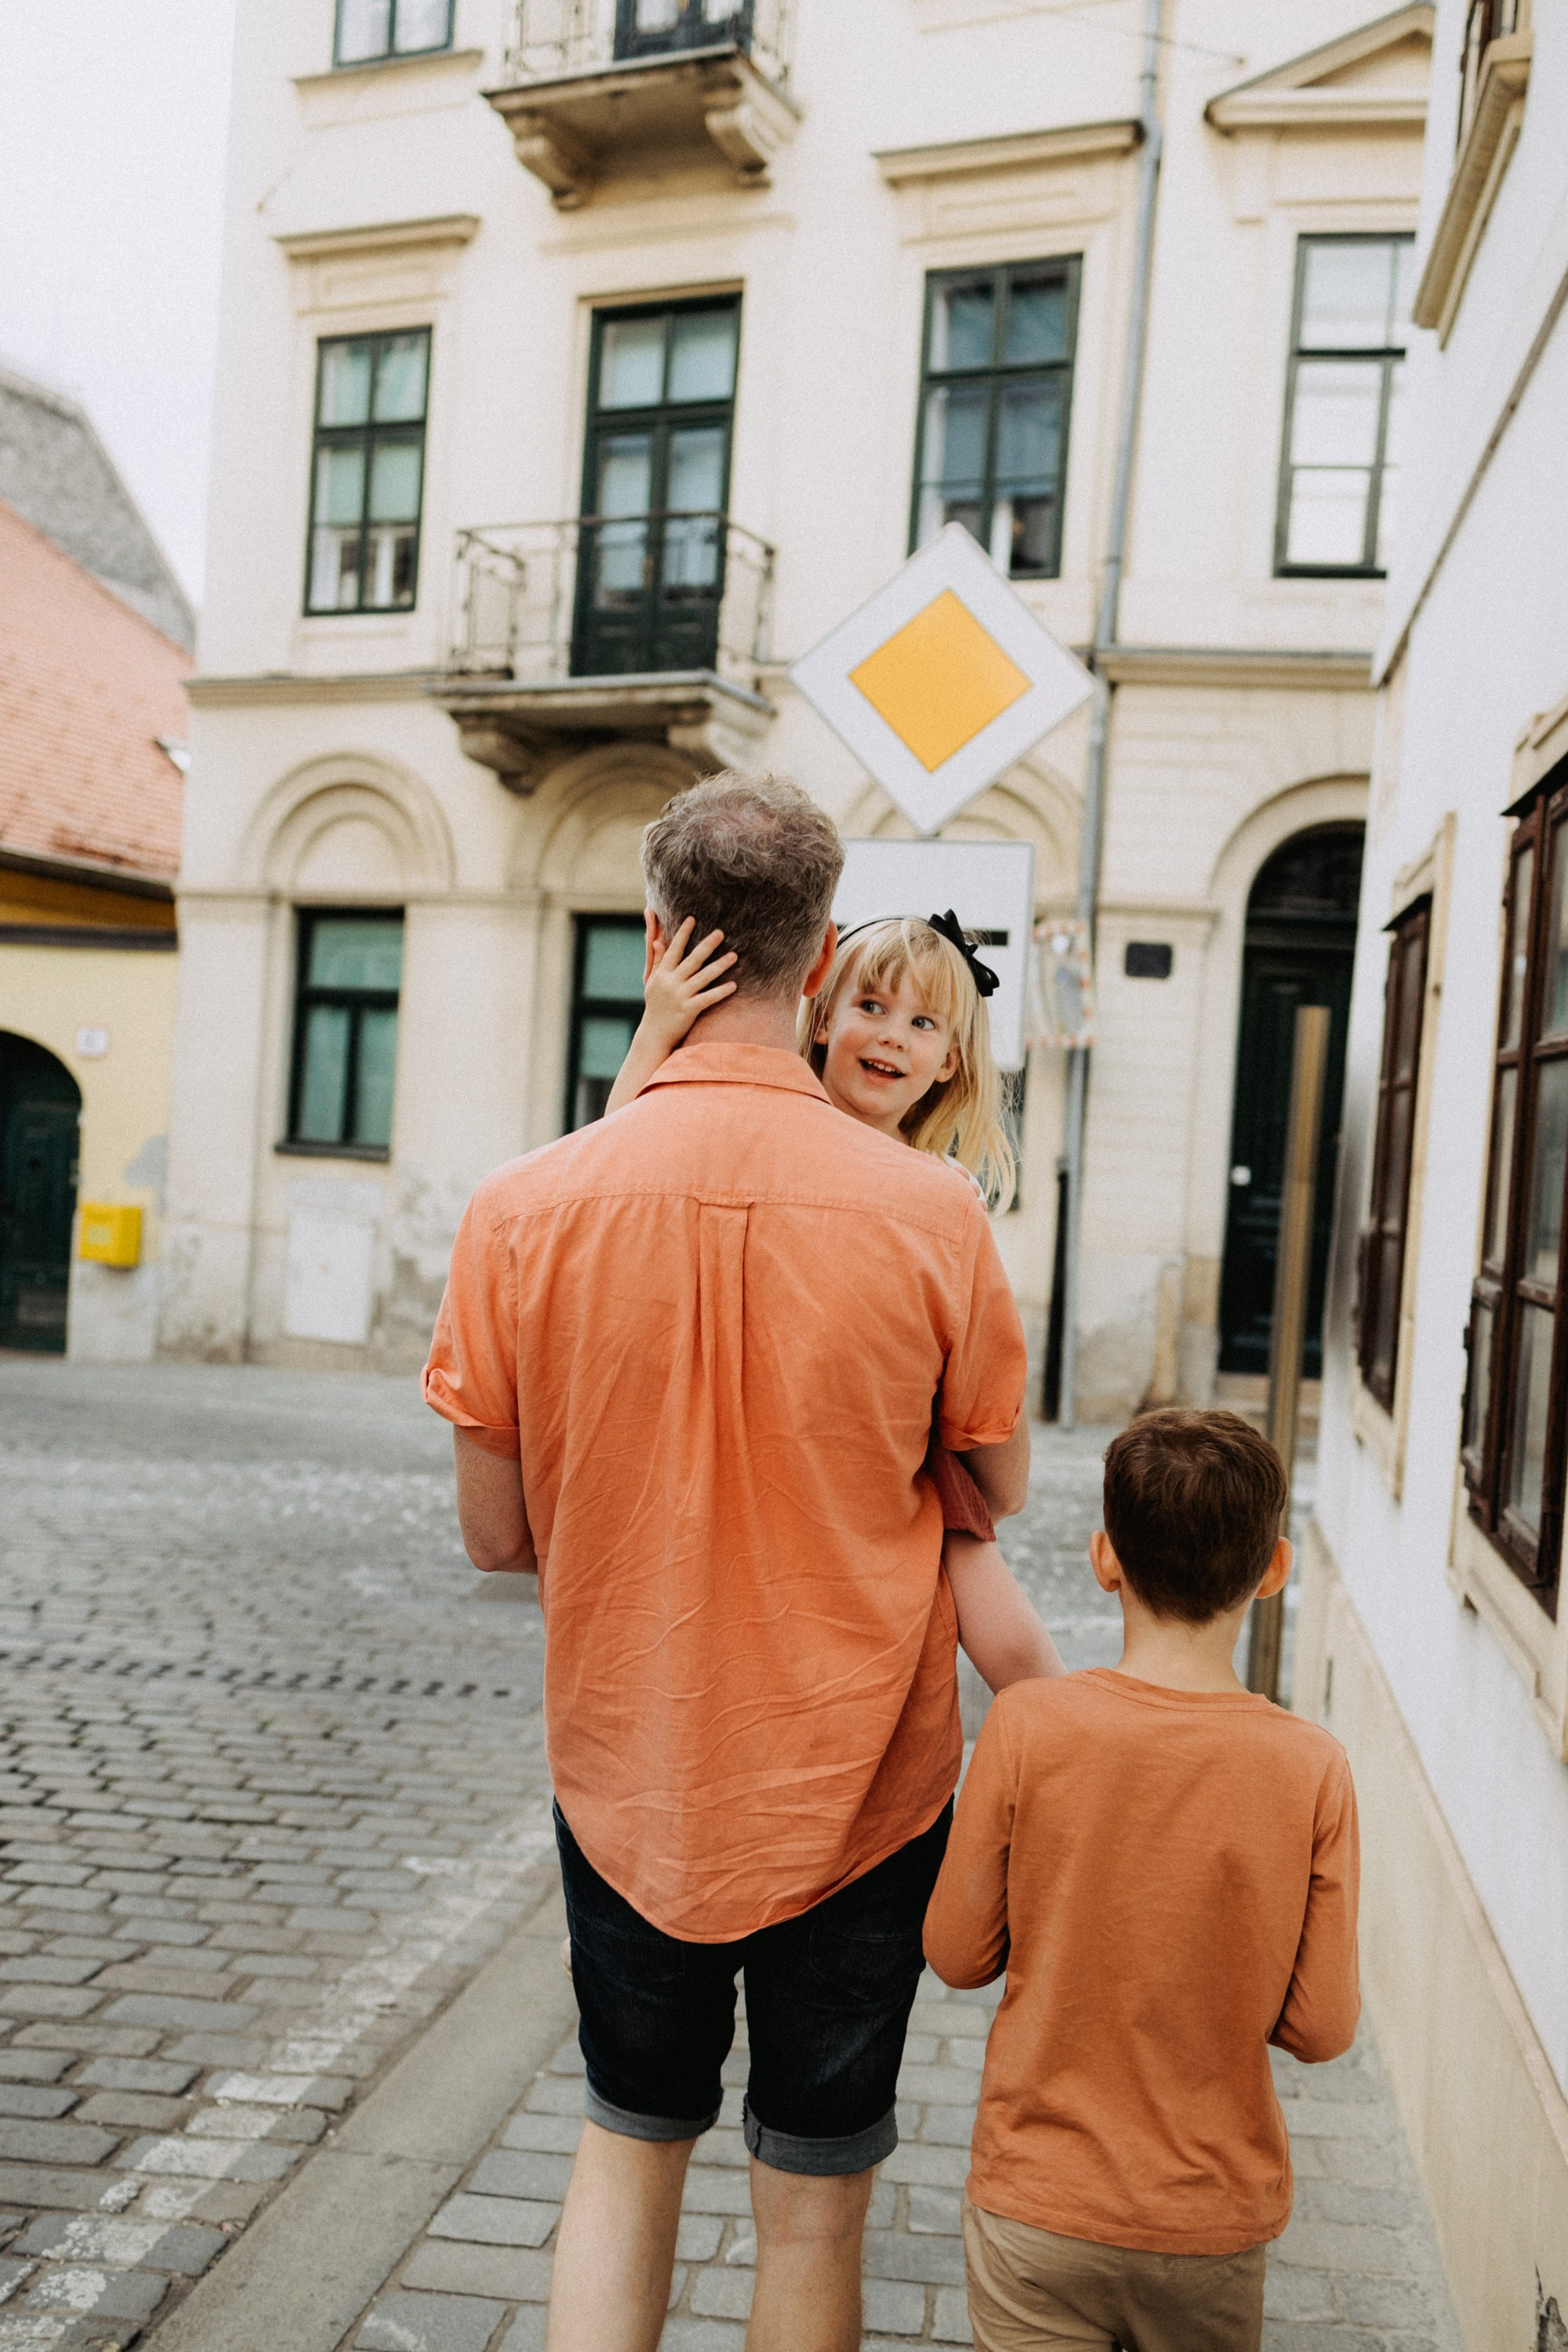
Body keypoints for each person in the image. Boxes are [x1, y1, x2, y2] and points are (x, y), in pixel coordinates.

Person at [423, 771, 1031, 2352]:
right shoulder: (932, 1215)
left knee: (629, 2145)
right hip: (862, 1782)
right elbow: (995, 1483)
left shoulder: (519, 1209)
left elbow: (495, 1535)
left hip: (633, 1772)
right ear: (819, 957)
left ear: (656, 940)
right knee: (814, 2200)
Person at [924, 1408, 1361, 2352]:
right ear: (1273, 1570)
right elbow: (1322, 2028)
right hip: (1207, 2220)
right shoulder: (1311, 1767)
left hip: (1036, 2201)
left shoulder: (1027, 1727)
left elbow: (956, 1956)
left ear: (1103, 1559)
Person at [606, 907, 1061, 1697]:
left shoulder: (945, 1195)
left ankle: (1061, 1731)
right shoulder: (765, 1138)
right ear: (820, 1021)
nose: (891, 1036)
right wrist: (656, 1031)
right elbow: (619, 1157)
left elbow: (997, 1445)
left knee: (984, 1576)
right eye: (870, 1007)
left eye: (921, 1022)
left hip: (889, 1447)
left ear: (949, 1061)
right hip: (776, 1431)